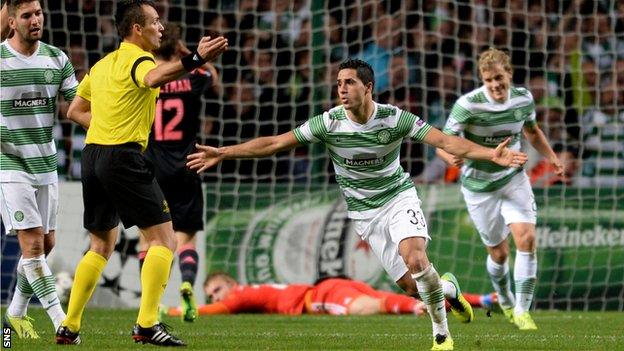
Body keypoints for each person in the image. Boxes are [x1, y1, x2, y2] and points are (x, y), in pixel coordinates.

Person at [187, 58, 528, 351]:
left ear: (368, 87)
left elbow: (446, 141)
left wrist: (490, 154)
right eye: (338, 83)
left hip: (398, 197)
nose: (342, 89)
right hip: (366, 214)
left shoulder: (394, 118)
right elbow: (276, 142)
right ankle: (450, 290)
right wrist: (224, 151)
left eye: (349, 83)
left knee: (415, 255)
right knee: (413, 286)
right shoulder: (329, 122)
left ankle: (441, 335)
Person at [57, 0, 227, 346]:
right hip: (123, 157)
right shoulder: (141, 59)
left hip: (92, 157)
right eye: (155, 21)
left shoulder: (103, 65)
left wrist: (106, 125)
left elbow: (75, 110)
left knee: (101, 245)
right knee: (165, 239)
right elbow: (153, 77)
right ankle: (147, 323)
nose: (160, 28)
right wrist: (196, 59)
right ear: (137, 28)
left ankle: (69, 326)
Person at [436, 48, 564, 331]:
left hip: (513, 180)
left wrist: (552, 156)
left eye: (499, 78)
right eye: (488, 79)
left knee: (527, 238)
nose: (495, 84)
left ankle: (522, 311)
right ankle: (504, 298)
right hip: (480, 188)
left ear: (509, 74)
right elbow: (443, 144)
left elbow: (531, 131)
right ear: (482, 79)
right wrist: (452, 159)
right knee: (499, 254)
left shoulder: (523, 98)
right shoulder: (468, 105)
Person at [0, 0, 78, 339]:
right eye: (27, 16)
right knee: (32, 248)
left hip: (46, 163)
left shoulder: (56, 58)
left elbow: (77, 106)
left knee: (46, 244)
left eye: (39, 14)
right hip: (10, 162)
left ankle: (14, 314)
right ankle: (63, 323)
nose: (36, 21)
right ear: (12, 21)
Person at [138, 23, 219, 323]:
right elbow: (214, 79)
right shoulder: (193, 76)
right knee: (186, 239)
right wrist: (193, 55)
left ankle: (153, 302)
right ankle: (186, 283)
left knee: (149, 241)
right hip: (188, 164)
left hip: (151, 166)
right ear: (179, 48)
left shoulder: (146, 76)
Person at [163, 272, 495, 318]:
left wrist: (172, 312)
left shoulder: (240, 295)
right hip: (334, 284)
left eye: (216, 290)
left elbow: (218, 310)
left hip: (320, 295)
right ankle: (485, 300)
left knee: (366, 307)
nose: (215, 297)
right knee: (395, 291)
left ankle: (419, 309)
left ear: (230, 283)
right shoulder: (256, 287)